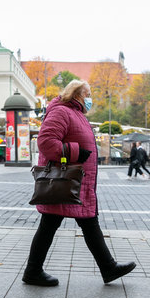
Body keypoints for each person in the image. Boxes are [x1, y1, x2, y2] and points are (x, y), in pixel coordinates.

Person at [23, 80, 136, 286]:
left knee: (76, 223)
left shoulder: (76, 113)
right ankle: (106, 267)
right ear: (76, 94)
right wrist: (74, 152)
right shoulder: (61, 112)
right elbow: (46, 142)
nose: (90, 98)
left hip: (76, 181)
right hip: (64, 181)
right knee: (76, 223)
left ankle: (34, 270)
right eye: (88, 93)